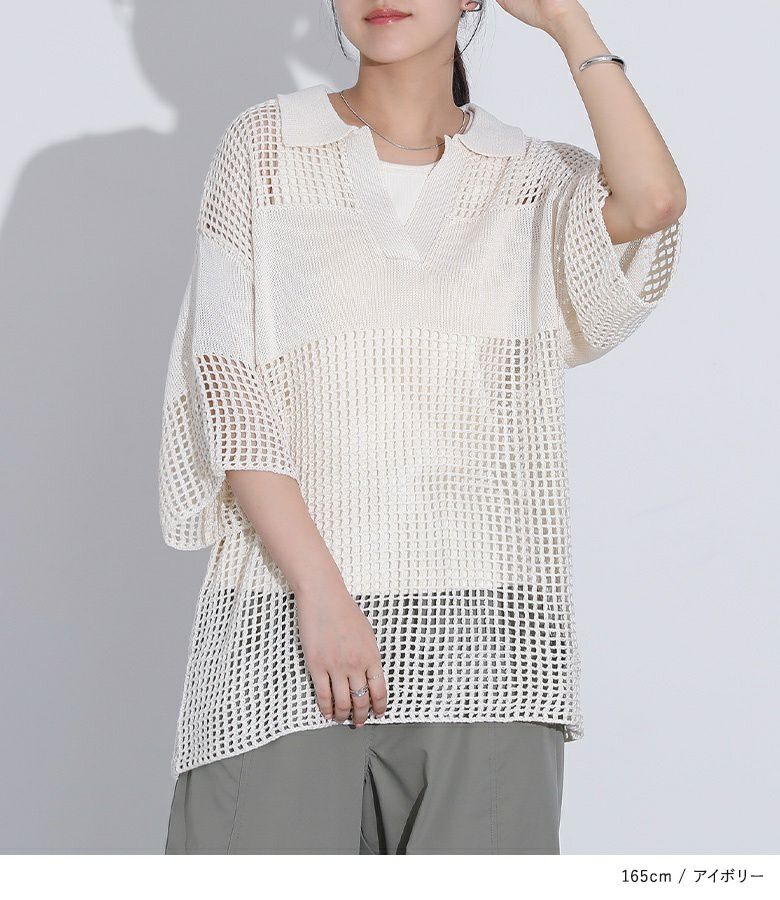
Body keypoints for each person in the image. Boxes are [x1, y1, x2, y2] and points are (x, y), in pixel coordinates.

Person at [159, 0, 686, 854]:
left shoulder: (529, 178)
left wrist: (564, 20)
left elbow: (654, 200)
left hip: (489, 636)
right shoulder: (268, 147)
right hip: (287, 617)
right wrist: (322, 594)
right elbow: (232, 390)